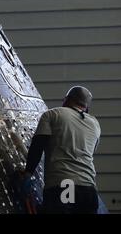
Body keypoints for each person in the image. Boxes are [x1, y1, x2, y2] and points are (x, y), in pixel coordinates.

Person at [23, 86, 101, 214]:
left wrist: (28, 174)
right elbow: (90, 152)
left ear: (66, 99)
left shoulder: (53, 114)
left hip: (66, 185)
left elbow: (38, 146)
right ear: (86, 107)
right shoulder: (95, 124)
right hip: (89, 191)